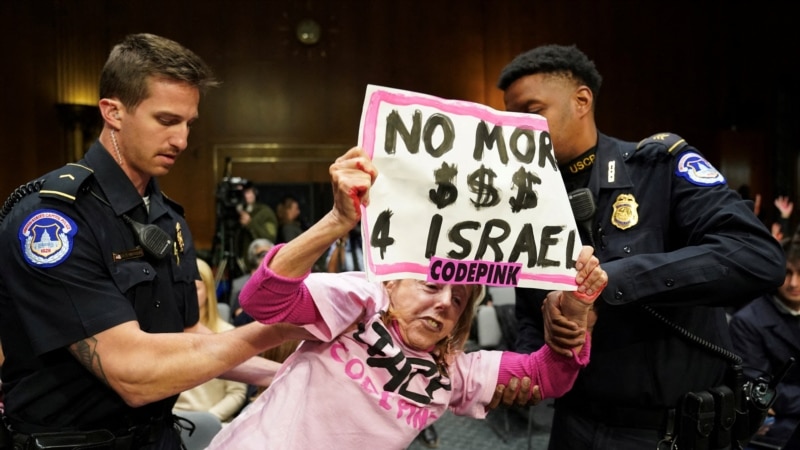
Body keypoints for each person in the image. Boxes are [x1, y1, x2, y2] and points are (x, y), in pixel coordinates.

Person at [0, 33, 296, 448]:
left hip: (158, 438)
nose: (183, 140)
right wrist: (279, 330)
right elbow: (133, 373)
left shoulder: (165, 215)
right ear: (113, 112)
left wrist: (285, 374)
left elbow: (190, 332)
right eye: (166, 121)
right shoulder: (53, 220)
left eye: (189, 123)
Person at [206, 147, 608, 449]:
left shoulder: (453, 373)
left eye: (459, 300)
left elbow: (546, 377)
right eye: (431, 286)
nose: (444, 303)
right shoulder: (359, 304)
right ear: (393, 283)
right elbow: (263, 299)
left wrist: (575, 312)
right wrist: (336, 221)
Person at [495, 44, 785, 449]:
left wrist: (611, 281)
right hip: (572, 423)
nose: (517, 128)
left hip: (662, 432)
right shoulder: (527, 202)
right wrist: (528, 366)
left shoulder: (659, 167)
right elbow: (529, 310)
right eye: (510, 118)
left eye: (531, 111)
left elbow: (758, 256)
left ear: (581, 101)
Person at [729, 236, 800, 450]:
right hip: (775, 428)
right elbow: (762, 391)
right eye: (787, 273)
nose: (794, 283)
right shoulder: (748, 320)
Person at [173, 259, 248, 424]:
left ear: (208, 291)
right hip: (172, 421)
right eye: (181, 289)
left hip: (214, 422)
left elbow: (237, 393)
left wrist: (207, 421)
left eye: (195, 289)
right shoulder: (165, 333)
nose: (188, 296)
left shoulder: (227, 333)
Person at [230, 238, 274, 322]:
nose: (268, 258)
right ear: (253, 258)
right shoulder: (240, 285)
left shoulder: (279, 283)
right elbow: (238, 319)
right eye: (263, 255)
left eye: (272, 255)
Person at [235, 182, 278, 266]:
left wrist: (250, 223)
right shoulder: (234, 213)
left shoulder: (264, 213)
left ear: (254, 194)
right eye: (241, 193)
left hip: (257, 264)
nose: (244, 196)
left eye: (247, 192)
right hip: (240, 263)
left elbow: (270, 239)